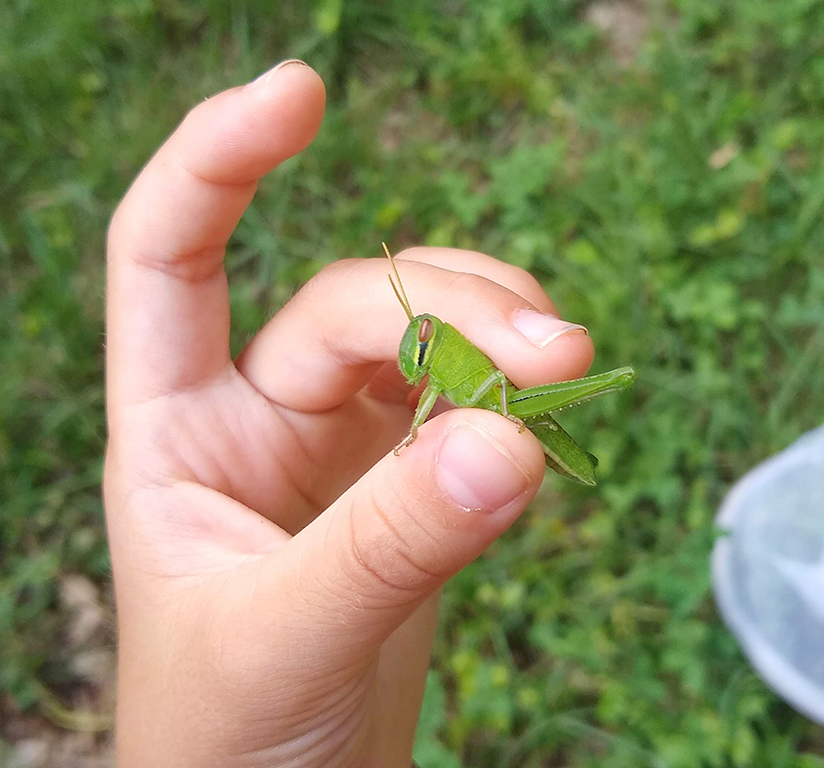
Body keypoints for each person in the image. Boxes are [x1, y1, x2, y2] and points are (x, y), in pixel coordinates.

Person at [104, 59, 594, 766]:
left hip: (521, 404)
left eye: (423, 338)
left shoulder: (449, 369)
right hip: (495, 404)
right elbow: (426, 393)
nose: (418, 352)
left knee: (537, 391)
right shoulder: (427, 377)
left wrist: (422, 433)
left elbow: (447, 397)